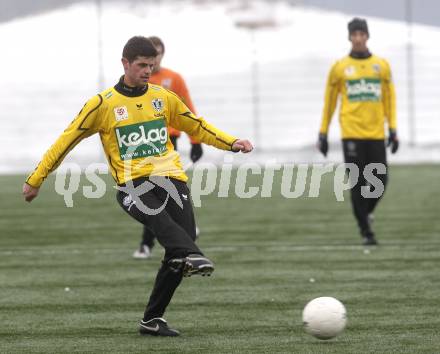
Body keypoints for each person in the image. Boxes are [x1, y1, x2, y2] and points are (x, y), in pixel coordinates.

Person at [22, 36, 253, 336]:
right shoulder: (102, 104)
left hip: (172, 178)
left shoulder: (163, 97)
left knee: (177, 254)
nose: (148, 71)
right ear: (125, 64)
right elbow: (65, 141)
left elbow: (196, 125)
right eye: (142, 65)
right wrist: (36, 179)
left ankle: (152, 319)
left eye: (152, 65)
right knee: (166, 226)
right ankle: (192, 252)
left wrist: (231, 142)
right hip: (132, 184)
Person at [317, 18, 399, 246]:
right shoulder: (340, 67)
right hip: (351, 134)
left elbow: (390, 99)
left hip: (375, 134)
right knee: (357, 183)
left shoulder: (381, 65)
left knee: (380, 181)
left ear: (367, 36)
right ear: (349, 37)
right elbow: (329, 101)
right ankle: (366, 232)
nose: (359, 38)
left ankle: (367, 213)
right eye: (355, 34)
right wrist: (323, 133)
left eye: (362, 34)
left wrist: (393, 129)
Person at [133, 36, 202, 259]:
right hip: (142, 143)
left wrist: (196, 140)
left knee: (160, 192)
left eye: (158, 53)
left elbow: (188, 111)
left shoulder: (173, 79)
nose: (155, 59)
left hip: (169, 142)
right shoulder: (137, 81)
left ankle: (151, 243)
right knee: (151, 194)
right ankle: (179, 232)